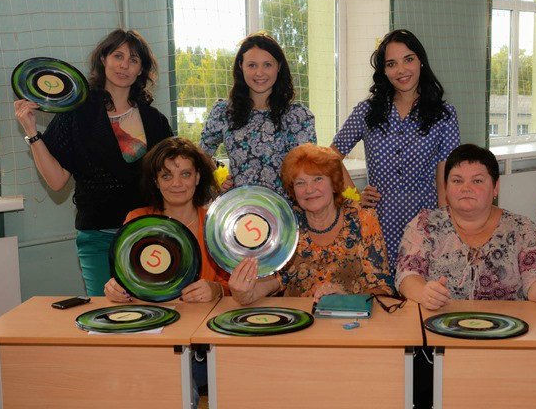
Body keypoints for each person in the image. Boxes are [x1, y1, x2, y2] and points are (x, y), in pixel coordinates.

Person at [14, 29, 173, 296]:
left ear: (141, 70)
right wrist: (32, 132)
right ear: (103, 59)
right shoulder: (75, 114)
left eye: (133, 60)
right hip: (97, 238)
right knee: (103, 313)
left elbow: (169, 180)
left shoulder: (155, 120)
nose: (124, 65)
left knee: (151, 310)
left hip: (147, 235)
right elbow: (57, 181)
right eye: (118, 56)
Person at [331, 29, 460, 281]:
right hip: (379, 221)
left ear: (420, 61)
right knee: (382, 289)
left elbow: (446, 176)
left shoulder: (443, 114)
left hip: (425, 221)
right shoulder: (367, 111)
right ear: (384, 71)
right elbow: (331, 156)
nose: (401, 70)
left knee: (421, 289)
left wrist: (446, 227)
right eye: (391, 64)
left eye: (408, 59)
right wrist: (355, 197)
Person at [396, 144, 536, 309]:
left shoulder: (521, 229)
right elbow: (407, 275)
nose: (466, 188)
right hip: (440, 327)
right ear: (446, 187)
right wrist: (424, 293)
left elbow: (535, 282)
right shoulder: (425, 224)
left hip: (508, 330)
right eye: (457, 180)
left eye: (477, 181)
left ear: (495, 187)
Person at [228, 143, 392, 305]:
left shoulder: (363, 218)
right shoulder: (287, 225)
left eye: (318, 179)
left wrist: (346, 300)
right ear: (293, 189)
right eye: (300, 183)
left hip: (352, 319)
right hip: (300, 319)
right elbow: (272, 282)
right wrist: (243, 293)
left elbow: (382, 289)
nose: (309, 189)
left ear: (334, 184)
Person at [103, 137, 230, 303]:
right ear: (156, 181)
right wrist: (114, 289)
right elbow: (125, 279)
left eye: (185, 174)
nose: (176, 183)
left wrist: (217, 289)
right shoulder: (137, 221)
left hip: (204, 316)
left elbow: (235, 285)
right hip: (153, 316)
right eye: (166, 176)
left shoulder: (216, 225)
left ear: (197, 177)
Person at [200, 32, 316, 197]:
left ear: (279, 66)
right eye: (252, 65)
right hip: (239, 208)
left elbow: (309, 170)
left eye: (267, 65)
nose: (259, 73)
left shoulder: (298, 116)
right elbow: (200, 157)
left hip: (285, 210)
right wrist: (217, 179)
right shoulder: (223, 112)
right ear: (241, 66)